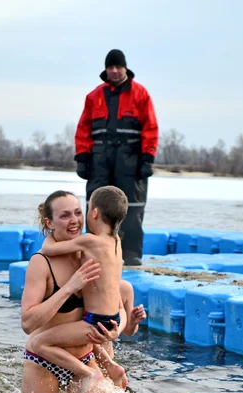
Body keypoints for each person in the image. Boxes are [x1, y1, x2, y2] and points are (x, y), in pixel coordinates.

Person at [21, 190, 124, 393]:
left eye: (78, 213)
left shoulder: (91, 250)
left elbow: (116, 303)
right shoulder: (41, 262)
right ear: (50, 222)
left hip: (86, 359)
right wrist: (69, 288)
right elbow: (27, 323)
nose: (75, 220)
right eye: (65, 215)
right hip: (45, 362)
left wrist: (114, 332)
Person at [74, 48, 159, 266]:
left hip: (130, 159)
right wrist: (82, 157)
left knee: (132, 205)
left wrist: (148, 158)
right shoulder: (94, 96)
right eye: (110, 67)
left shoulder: (140, 94)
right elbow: (83, 128)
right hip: (100, 159)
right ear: (105, 70)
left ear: (125, 69)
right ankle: (95, 252)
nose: (114, 71)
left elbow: (150, 127)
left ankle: (130, 253)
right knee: (96, 205)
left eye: (118, 67)